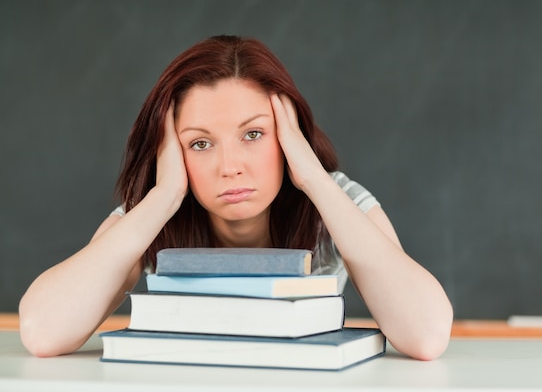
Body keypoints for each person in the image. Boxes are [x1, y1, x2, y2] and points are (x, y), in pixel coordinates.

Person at [19, 35, 453, 360]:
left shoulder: (335, 202)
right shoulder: (152, 213)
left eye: (253, 134)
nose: (231, 166)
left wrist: (316, 180)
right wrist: (165, 196)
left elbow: (427, 334)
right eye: (200, 143)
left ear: (289, 135)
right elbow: (42, 331)